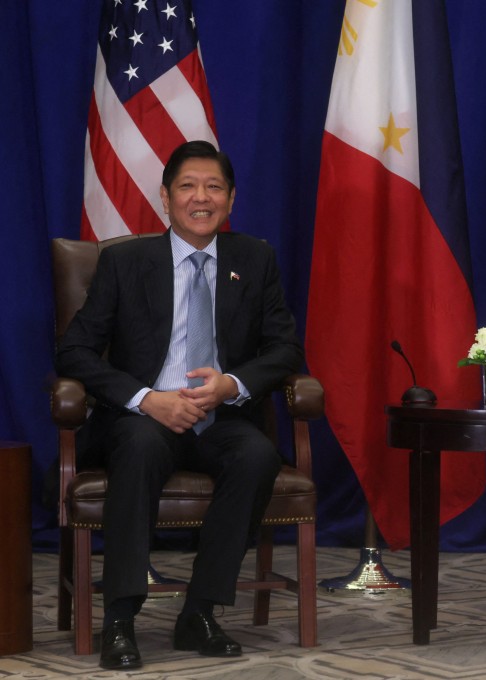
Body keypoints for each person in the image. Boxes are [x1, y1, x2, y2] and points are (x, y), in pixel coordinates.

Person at [56, 140, 303, 670]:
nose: (201, 197)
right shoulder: (124, 262)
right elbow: (74, 349)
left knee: (257, 456)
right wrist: (147, 399)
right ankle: (120, 619)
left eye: (214, 187)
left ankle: (200, 612)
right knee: (141, 446)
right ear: (165, 197)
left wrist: (231, 384)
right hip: (143, 419)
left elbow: (284, 348)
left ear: (231, 200)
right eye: (188, 186)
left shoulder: (254, 259)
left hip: (221, 418)